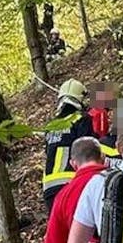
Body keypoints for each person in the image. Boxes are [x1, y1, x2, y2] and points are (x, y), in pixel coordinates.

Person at [42, 80, 93, 211]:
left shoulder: (51, 126)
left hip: (49, 188)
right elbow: (88, 151)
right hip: (71, 184)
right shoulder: (81, 119)